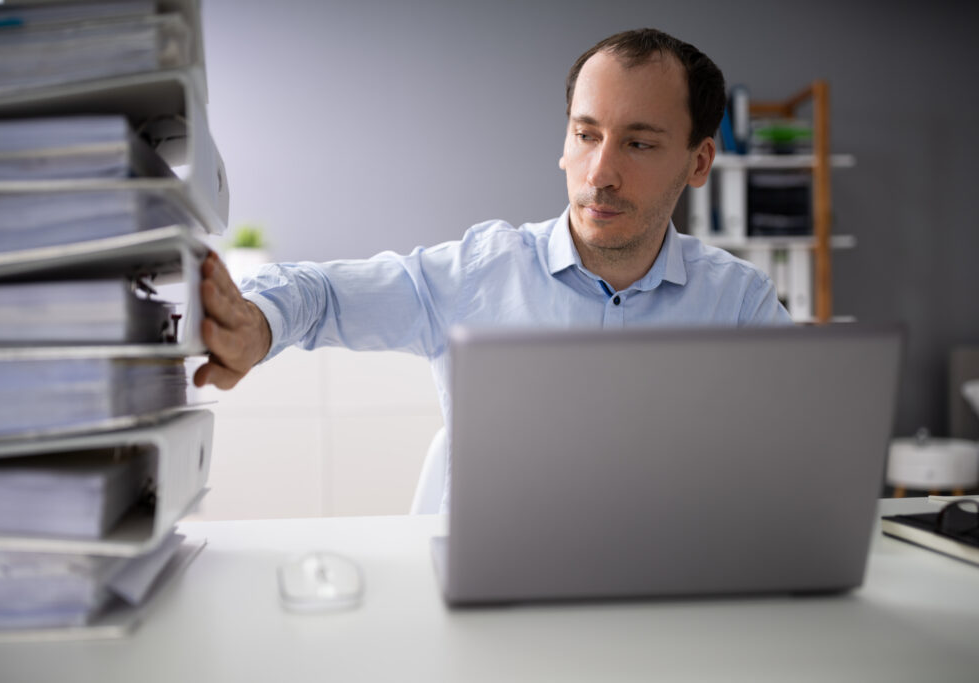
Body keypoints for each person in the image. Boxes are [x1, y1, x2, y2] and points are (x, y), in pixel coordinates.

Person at [195, 29, 792, 508]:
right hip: (493, 601)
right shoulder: (480, 274)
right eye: (585, 135)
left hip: (673, 591)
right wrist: (257, 322)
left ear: (699, 161)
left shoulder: (740, 304)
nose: (598, 173)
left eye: (637, 144)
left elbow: (798, 460)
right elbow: (319, 294)